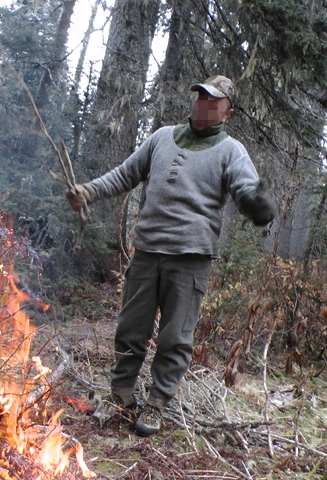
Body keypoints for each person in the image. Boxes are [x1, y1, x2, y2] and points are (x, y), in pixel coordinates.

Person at [65, 75, 276, 436]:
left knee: (175, 338)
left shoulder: (231, 151)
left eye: (214, 101)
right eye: (200, 97)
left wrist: (258, 205)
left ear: (228, 113)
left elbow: (244, 189)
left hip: (191, 259)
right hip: (146, 250)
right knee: (131, 331)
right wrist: (88, 191)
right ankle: (121, 395)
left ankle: (158, 403)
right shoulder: (162, 137)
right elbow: (125, 174)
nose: (204, 104)